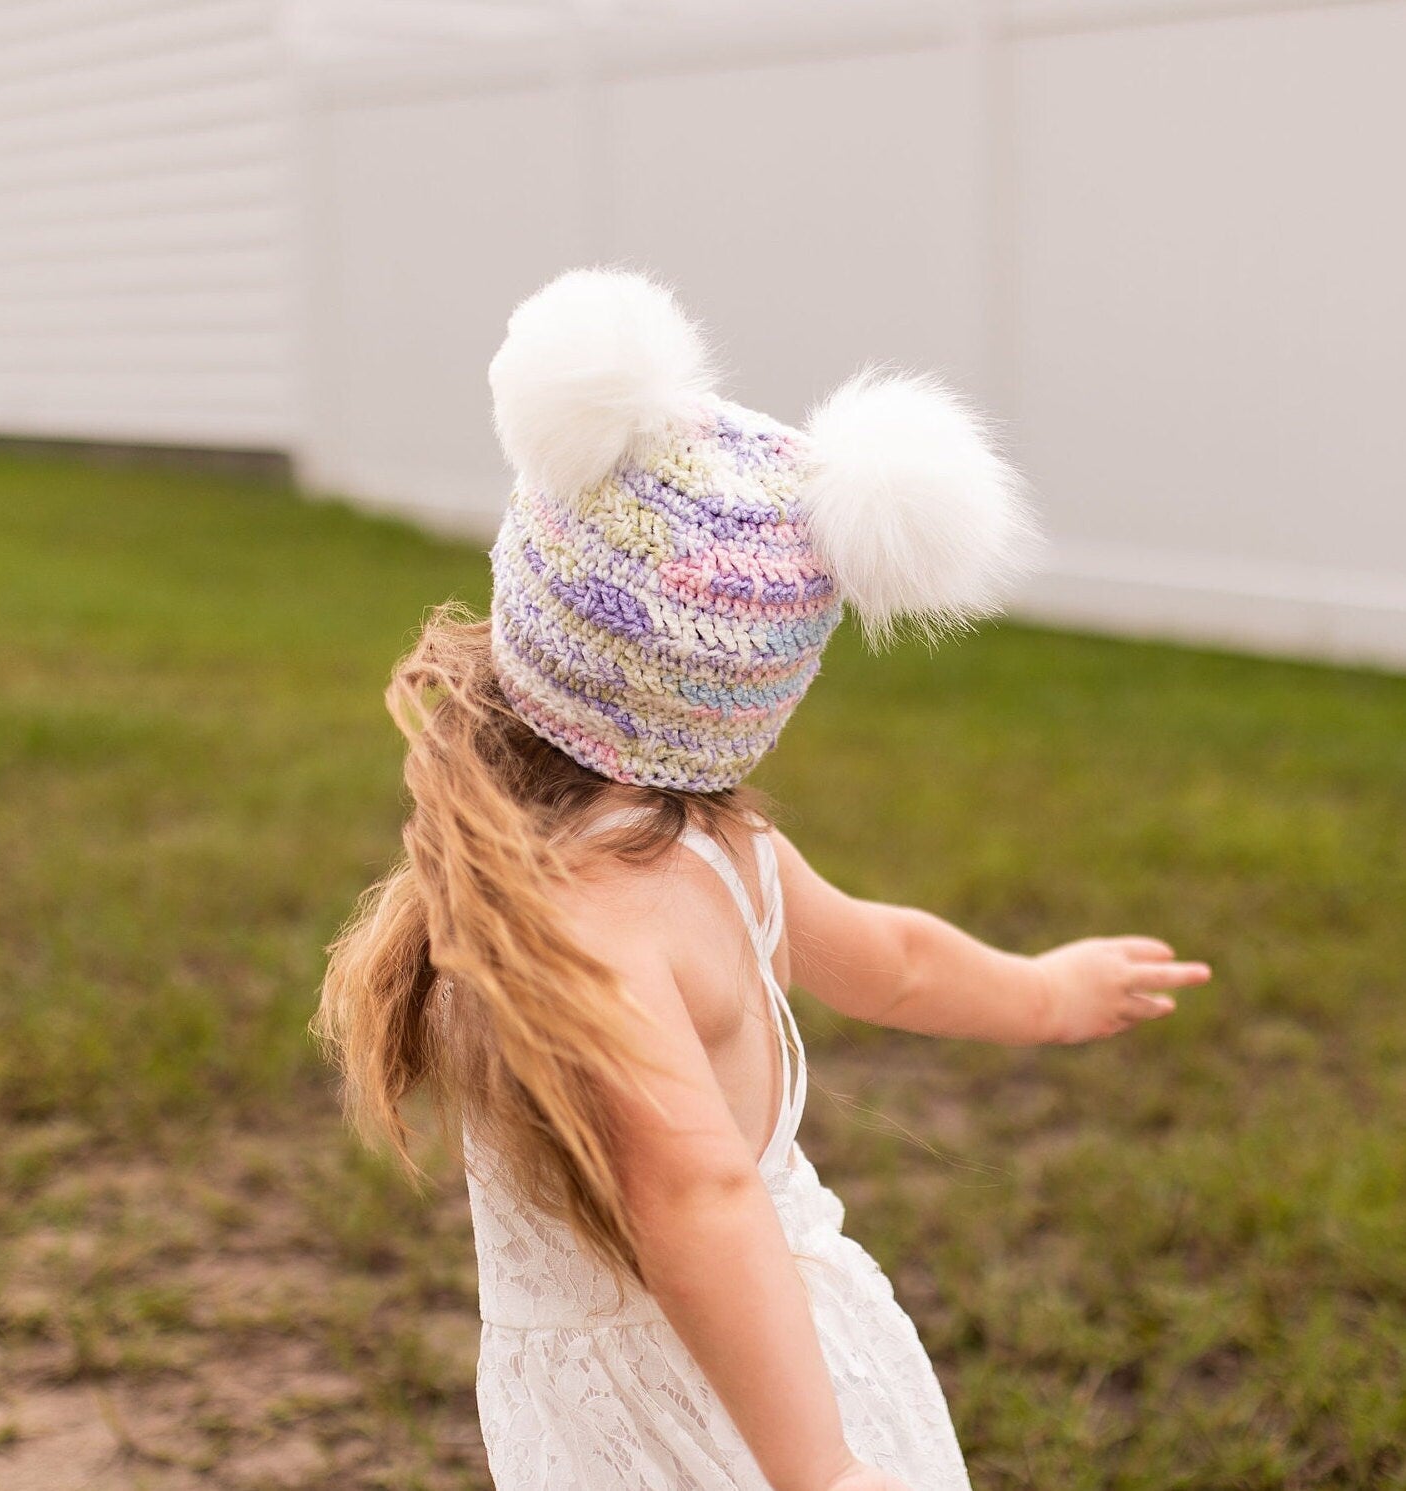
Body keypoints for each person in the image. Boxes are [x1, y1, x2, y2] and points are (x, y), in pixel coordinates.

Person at [311, 268, 1212, 1491]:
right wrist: (1038, 994)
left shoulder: (516, 888)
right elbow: (871, 989)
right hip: (757, 1385)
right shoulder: (704, 866)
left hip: (739, 1400)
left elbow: (716, 1184)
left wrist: (818, 1470)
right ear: (753, 692)